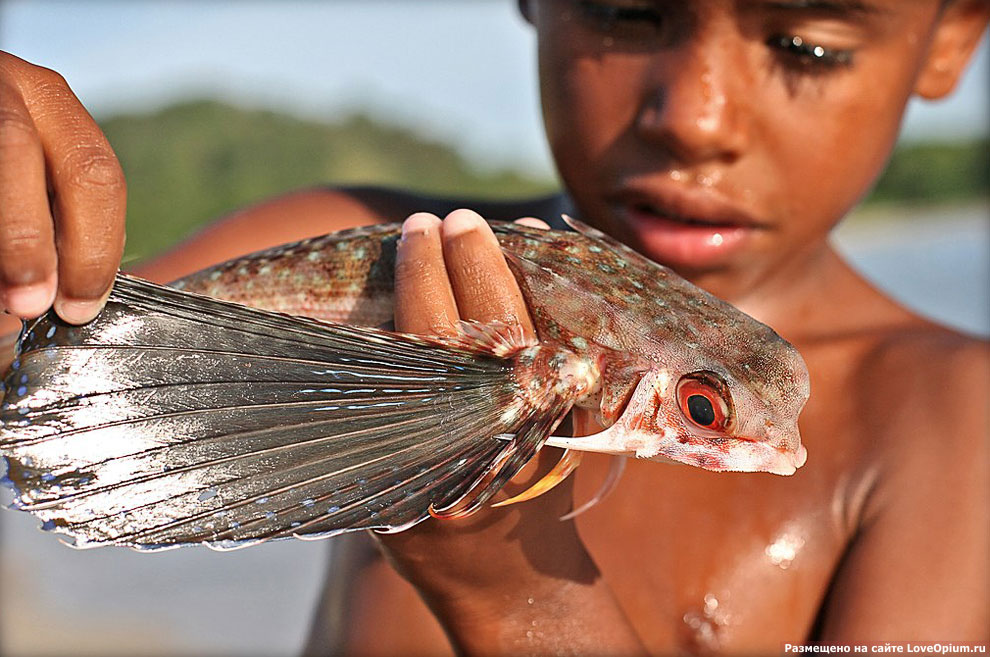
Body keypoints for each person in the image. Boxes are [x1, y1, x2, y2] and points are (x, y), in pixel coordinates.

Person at [1, 0, 988, 654]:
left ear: (951, 39)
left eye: (805, 44)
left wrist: (498, 571)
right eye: (627, 9)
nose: (694, 116)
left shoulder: (960, 427)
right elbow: (40, 391)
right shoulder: (378, 250)